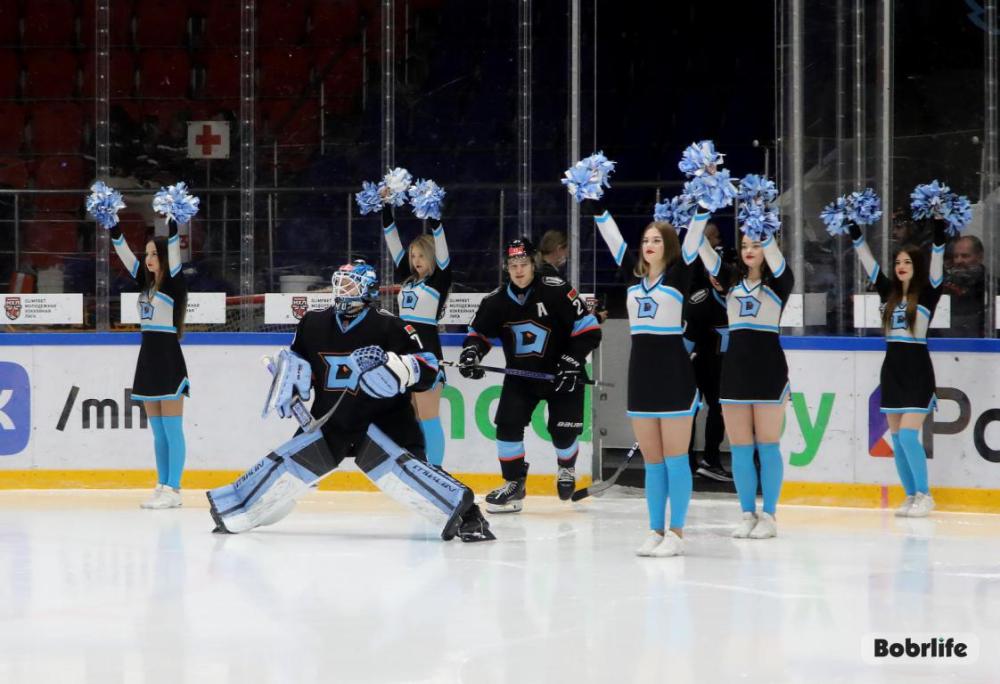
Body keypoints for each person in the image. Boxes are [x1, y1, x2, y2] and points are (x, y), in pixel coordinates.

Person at [207, 260, 493, 542]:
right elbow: (298, 359)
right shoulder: (313, 323)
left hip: (385, 421)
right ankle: (235, 508)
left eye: (350, 285)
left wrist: (405, 369)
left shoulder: (391, 326)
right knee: (286, 468)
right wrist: (290, 372)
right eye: (340, 284)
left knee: (413, 475)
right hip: (332, 420)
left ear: (368, 290)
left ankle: (470, 517)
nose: (342, 291)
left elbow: (430, 369)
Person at [588, 195, 710, 557]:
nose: (649, 245)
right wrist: (595, 202)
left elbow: (694, 236)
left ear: (668, 246)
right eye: (645, 240)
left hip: (674, 375)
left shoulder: (679, 274)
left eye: (657, 240)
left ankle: (677, 532)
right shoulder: (633, 277)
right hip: (640, 376)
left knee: (675, 459)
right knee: (653, 462)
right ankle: (655, 529)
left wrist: (705, 202)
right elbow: (613, 239)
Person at [459, 238, 602, 512]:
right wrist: (471, 353)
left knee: (563, 432)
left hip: (563, 374)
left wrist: (572, 360)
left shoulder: (557, 290)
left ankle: (566, 467)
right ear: (506, 267)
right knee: (507, 425)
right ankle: (514, 483)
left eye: (523, 263)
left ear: (533, 264)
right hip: (522, 376)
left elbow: (589, 330)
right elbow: (478, 334)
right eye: (513, 265)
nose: (519, 270)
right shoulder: (496, 301)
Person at [696, 225, 794, 539]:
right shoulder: (731, 281)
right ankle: (747, 513)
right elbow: (704, 252)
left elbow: (775, 257)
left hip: (768, 372)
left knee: (768, 445)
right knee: (739, 448)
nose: (749, 250)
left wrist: (762, 225)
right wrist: (695, 218)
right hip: (734, 372)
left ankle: (770, 515)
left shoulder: (780, 282)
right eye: (744, 245)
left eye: (756, 244)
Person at [847, 218, 948, 518]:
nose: (901, 266)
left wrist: (939, 226)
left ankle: (925, 495)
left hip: (917, 371)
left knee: (907, 436)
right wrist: (853, 228)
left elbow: (938, 258)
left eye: (907, 262)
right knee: (897, 440)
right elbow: (868, 262)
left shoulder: (928, 293)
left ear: (917, 266)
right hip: (891, 370)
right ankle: (910, 494)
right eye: (898, 262)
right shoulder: (888, 293)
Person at [109, 218, 189, 509]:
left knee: (172, 429)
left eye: (154, 253)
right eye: (147, 253)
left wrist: (174, 223)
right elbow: (124, 254)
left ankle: (174, 489)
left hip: (168, 360)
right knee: (158, 432)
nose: (148, 258)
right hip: (147, 360)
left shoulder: (174, 284)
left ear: (165, 257)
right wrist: (113, 224)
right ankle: (161, 485)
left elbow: (175, 252)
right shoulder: (146, 284)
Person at [380, 201, 452, 466]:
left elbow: (443, 248)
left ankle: (437, 470)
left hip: (427, 354)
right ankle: (418, 467)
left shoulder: (439, 280)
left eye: (421, 255)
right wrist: (386, 207)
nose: (415, 261)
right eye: (413, 256)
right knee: (411, 418)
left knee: (429, 416)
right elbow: (392, 240)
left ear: (431, 256)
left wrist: (434, 218)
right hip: (403, 355)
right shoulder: (408, 279)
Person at [683, 221, 732, 482]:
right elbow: (686, 342)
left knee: (720, 409)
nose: (716, 278)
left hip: (725, 367)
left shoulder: (742, 299)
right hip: (698, 365)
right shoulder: (699, 302)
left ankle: (711, 460)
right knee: (690, 410)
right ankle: (687, 461)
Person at [943, 235, 985, 337]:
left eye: (965, 256)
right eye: (956, 256)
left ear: (979, 257)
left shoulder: (991, 286)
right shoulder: (945, 287)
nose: (958, 261)